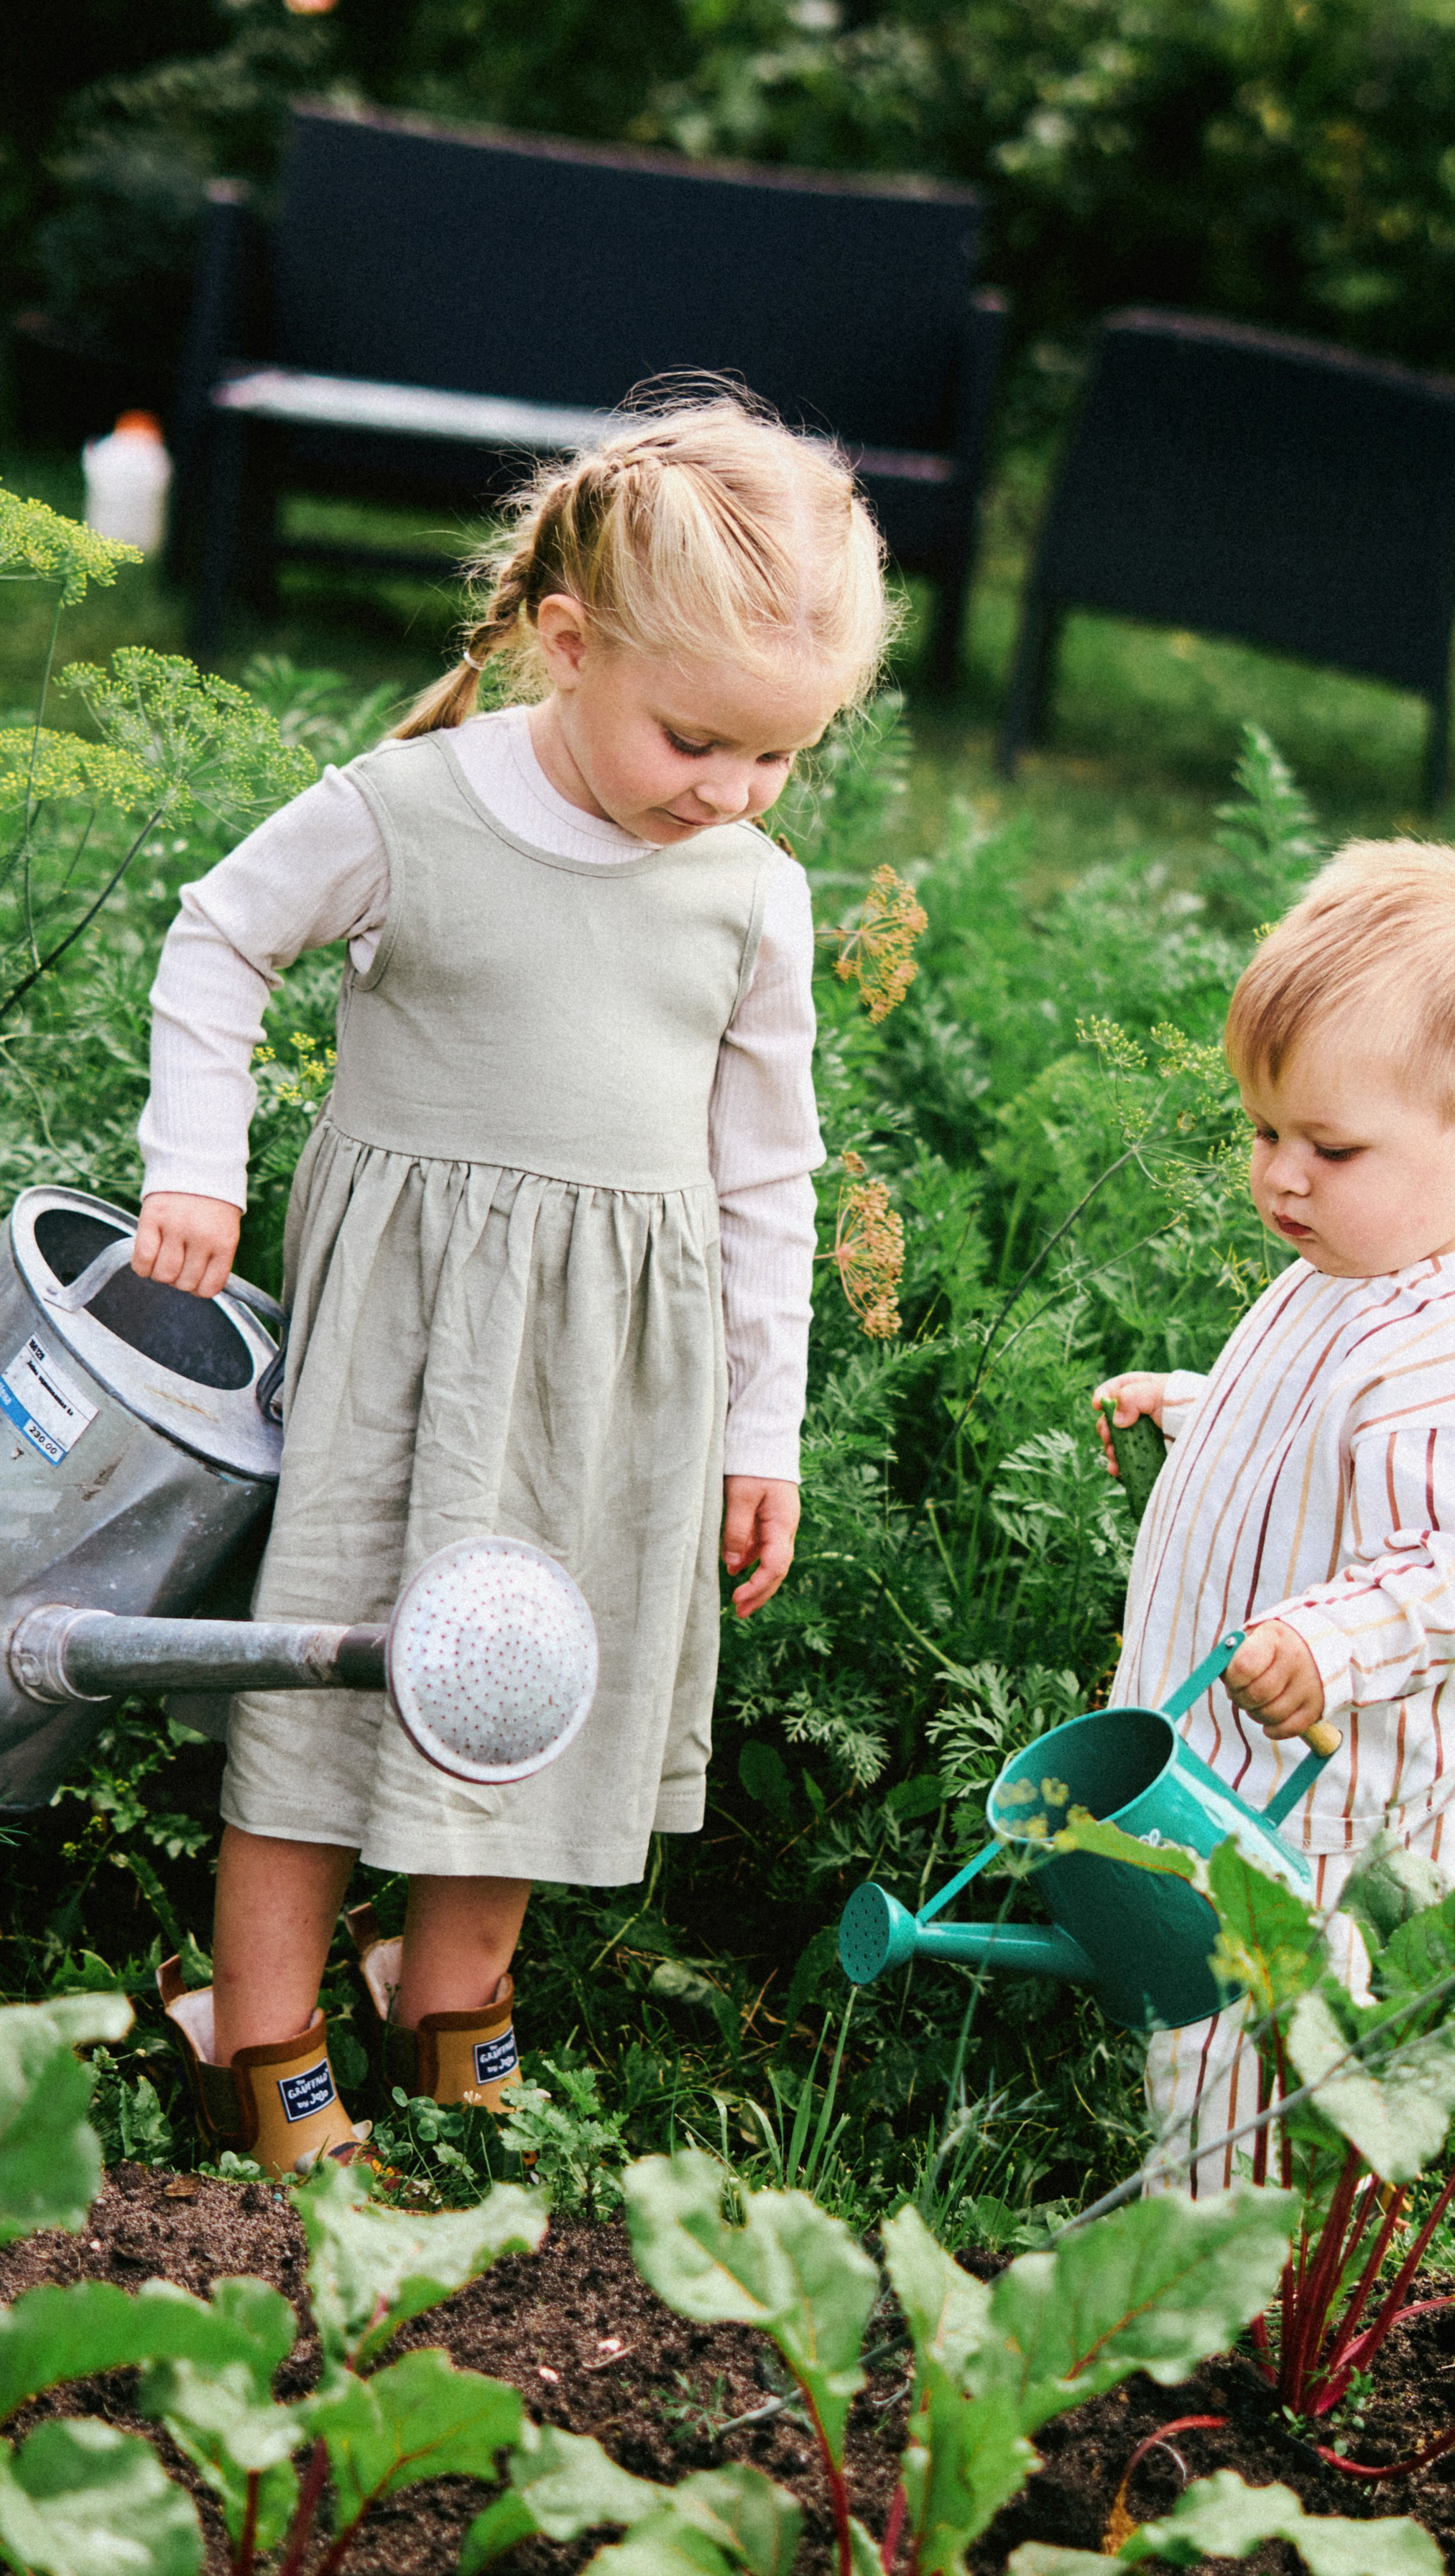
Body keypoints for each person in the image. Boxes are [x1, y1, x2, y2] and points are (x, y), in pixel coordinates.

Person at [137, 391, 891, 2175]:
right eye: (696, 738)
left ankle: (450, 2000)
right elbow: (216, 935)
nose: (730, 790)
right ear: (567, 643)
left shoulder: (749, 897)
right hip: (400, 1360)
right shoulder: (412, 811)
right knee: (326, 1681)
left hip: (616, 1379)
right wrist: (199, 1161)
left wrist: (755, 1427)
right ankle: (267, 2038)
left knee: (525, 1688)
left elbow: (766, 1179)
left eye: (778, 758)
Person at [1093, 839, 1455, 2199]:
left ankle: (1225, 2278)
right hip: (1234, 1775)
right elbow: (1330, 1437)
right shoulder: (1359, 1262)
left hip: (1330, 1812)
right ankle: (1216, 2230)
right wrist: (1205, 1406)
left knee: (1265, 2035)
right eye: (1265, 1133)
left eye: (1329, 1145)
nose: (1281, 1178)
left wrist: (1331, 1642)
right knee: (1202, 2009)